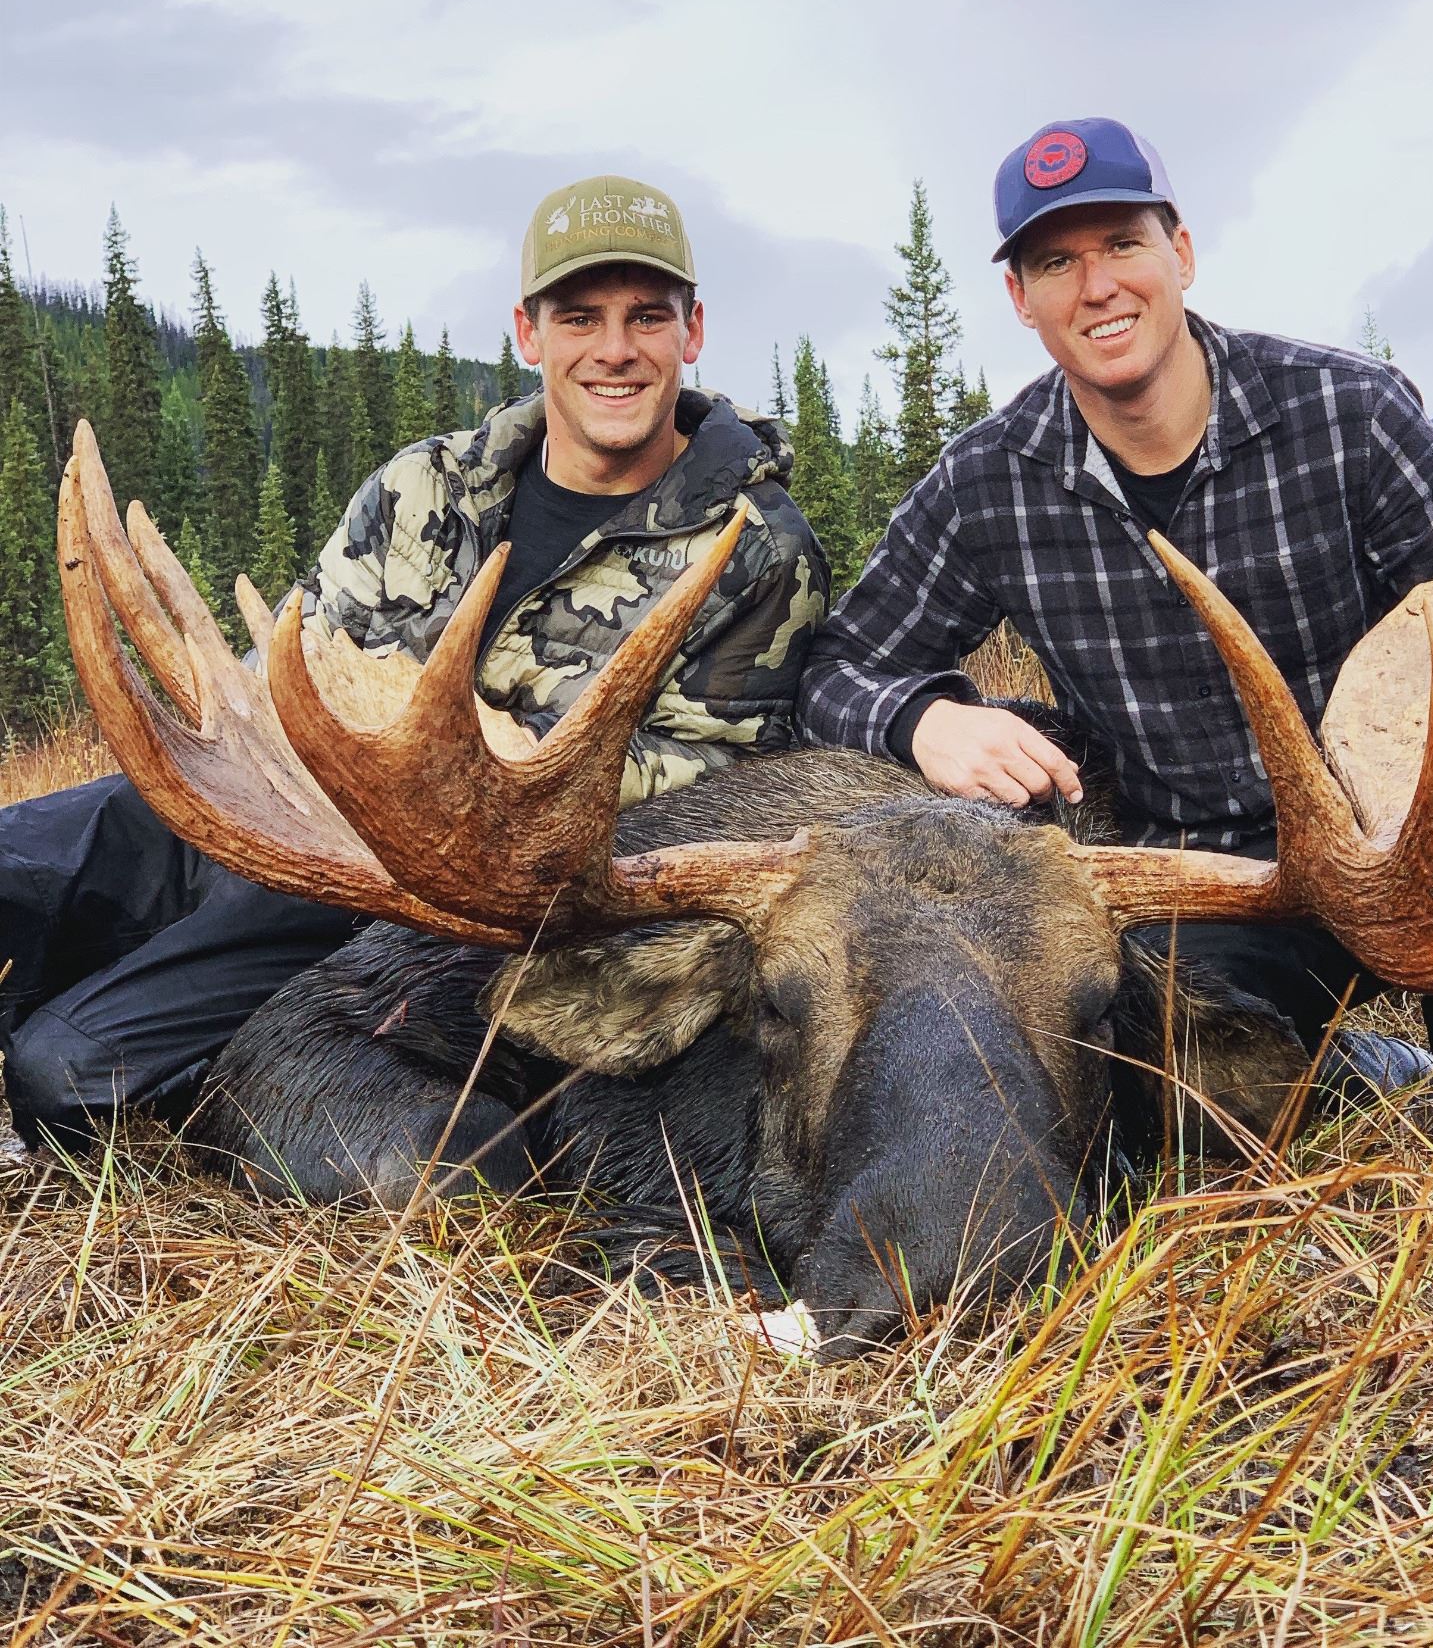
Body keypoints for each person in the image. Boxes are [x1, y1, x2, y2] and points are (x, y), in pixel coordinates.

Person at [2, 175, 828, 1151]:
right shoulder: (426, 483)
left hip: (427, 894)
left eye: (647, 316)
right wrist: (256, 727)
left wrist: (480, 761)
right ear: (529, 333)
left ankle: (203, 1076)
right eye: (579, 317)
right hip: (289, 796)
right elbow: (305, 657)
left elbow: (720, 775)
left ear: (692, 333)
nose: (614, 349)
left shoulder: (759, 548)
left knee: (65, 1072)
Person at [798, 117, 1433, 1096]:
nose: (1098, 286)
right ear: (1021, 299)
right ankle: (1359, 1071)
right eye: (1056, 262)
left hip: (1423, 837)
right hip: (1220, 886)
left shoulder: (1349, 415)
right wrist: (925, 720)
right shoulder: (988, 485)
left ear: (1183, 254)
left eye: (1124, 243)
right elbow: (834, 673)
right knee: (1159, 1088)